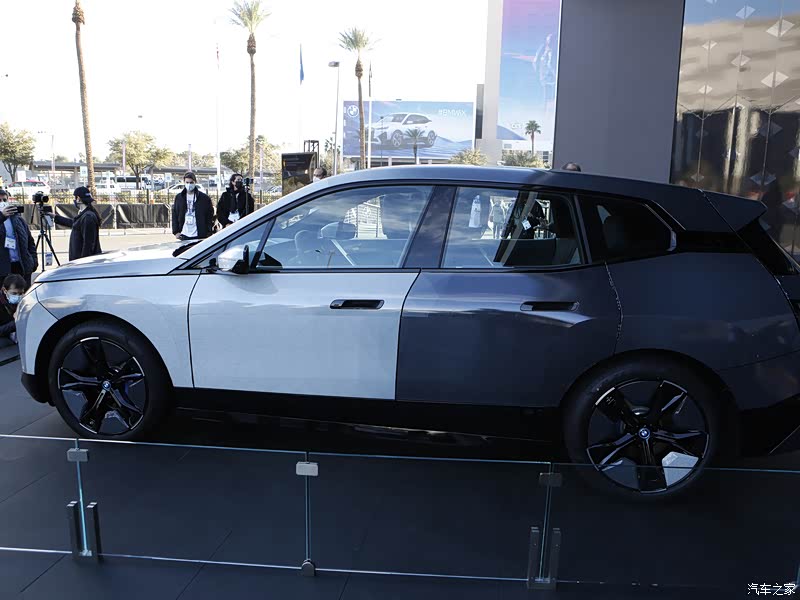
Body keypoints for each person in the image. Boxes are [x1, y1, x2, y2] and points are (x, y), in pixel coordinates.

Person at [0, 189, 37, 286]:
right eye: (0, 201)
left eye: (4, 200)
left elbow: (30, 242)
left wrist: (33, 261)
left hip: (21, 266)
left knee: (23, 293)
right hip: (3, 269)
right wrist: (1, 216)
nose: (2, 203)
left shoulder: (18, 219)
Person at [54, 187, 102, 261]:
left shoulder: (88, 217)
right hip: (79, 261)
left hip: (82, 262)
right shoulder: (85, 215)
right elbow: (74, 224)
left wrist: (82, 262)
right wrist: (55, 217)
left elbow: (88, 244)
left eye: (75, 198)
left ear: (78, 199)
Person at [172, 171, 214, 240]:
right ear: (184, 182)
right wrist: (176, 231)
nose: (189, 185)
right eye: (187, 182)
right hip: (184, 233)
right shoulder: (179, 197)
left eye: (191, 182)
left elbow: (210, 215)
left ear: (195, 182)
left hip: (199, 234)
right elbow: (175, 214)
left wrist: (208, 231)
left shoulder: (204, 198)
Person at [0, 273, 26, 346]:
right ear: (5, 290)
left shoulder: (23, 301)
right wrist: (15, 322)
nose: (18, 296)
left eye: (20, 293)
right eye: (14, 293)